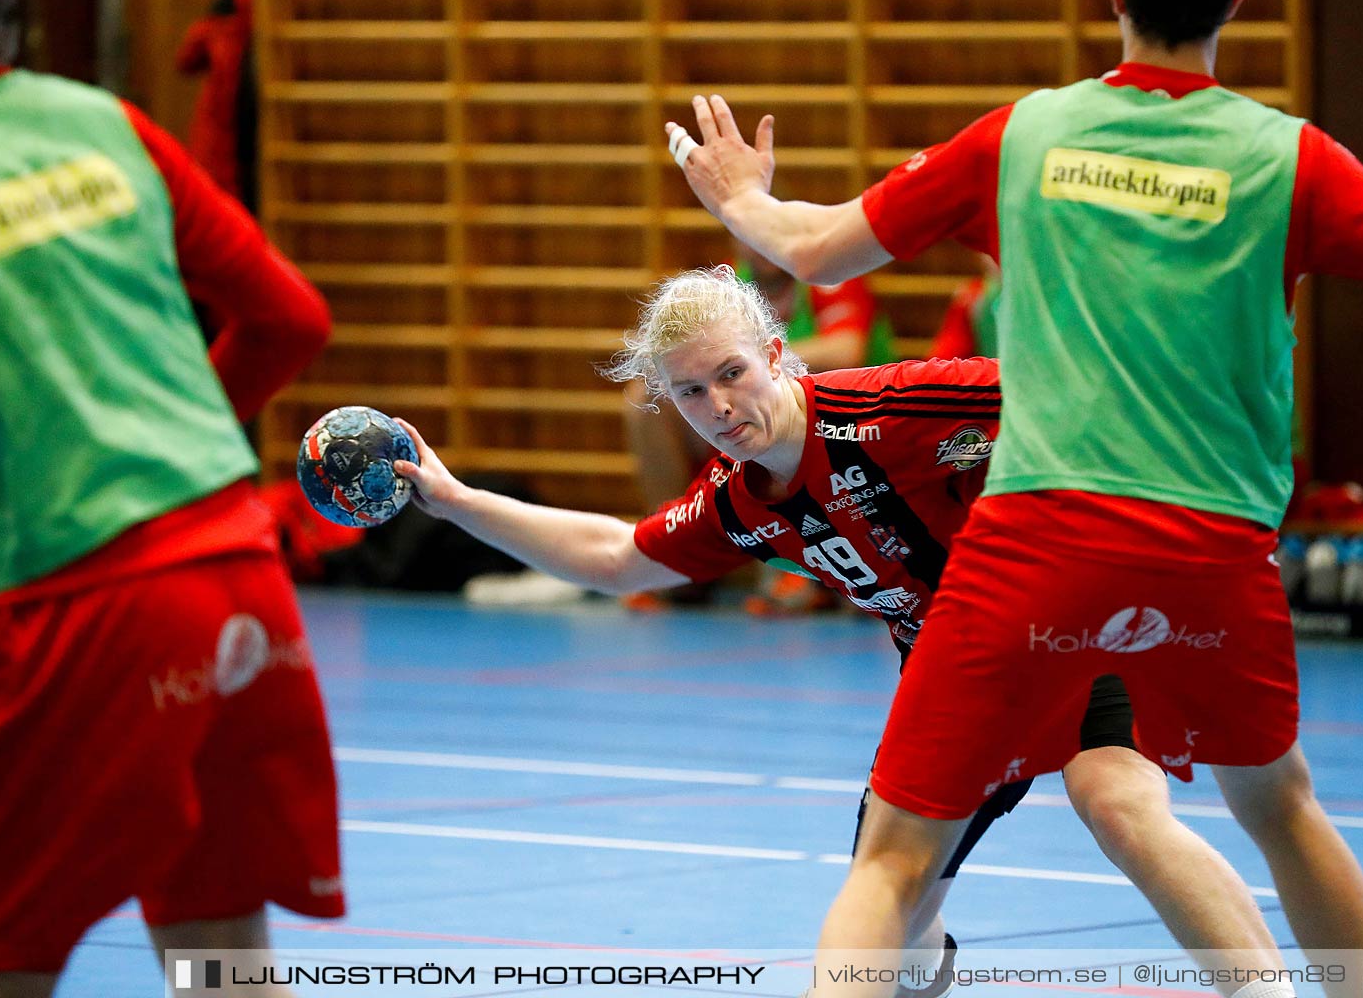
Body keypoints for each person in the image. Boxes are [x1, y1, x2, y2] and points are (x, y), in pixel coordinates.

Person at [665, 0, 1363, 998]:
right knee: (1281, 810)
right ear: (1237, 1)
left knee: (895, 856)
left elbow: (818, 247)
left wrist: (743, 199)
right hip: (1210, 550)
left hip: (1032, 540)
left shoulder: (1028, 135)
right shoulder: (1286, 157)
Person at [392, 265, 1291, 997]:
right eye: (691, 393)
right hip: (954, 683)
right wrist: (459, 502)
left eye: (732, 374)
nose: (717, 407)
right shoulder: (738, 503)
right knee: (895, 930)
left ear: (777, 354)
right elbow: (619, 558)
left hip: (1073, 624)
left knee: (1118, 802)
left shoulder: (895, 408)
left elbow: (1080, 404)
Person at [0, 0, 342, 997]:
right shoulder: (101, 121)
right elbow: (290, 318)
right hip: (240, 568)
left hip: (91, 608)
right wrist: (171, 458)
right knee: (220, 954)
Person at [621, 237, 891, 611]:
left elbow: (844, 351)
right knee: (645, 401)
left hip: (845, 428)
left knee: (783, 406)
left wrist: (749, 364)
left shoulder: (827, 274)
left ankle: (804, 560)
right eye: (746, 235)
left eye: (765, 233)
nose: (761, 247)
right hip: (756, 418)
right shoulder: (726, 283)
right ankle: (678, 542)